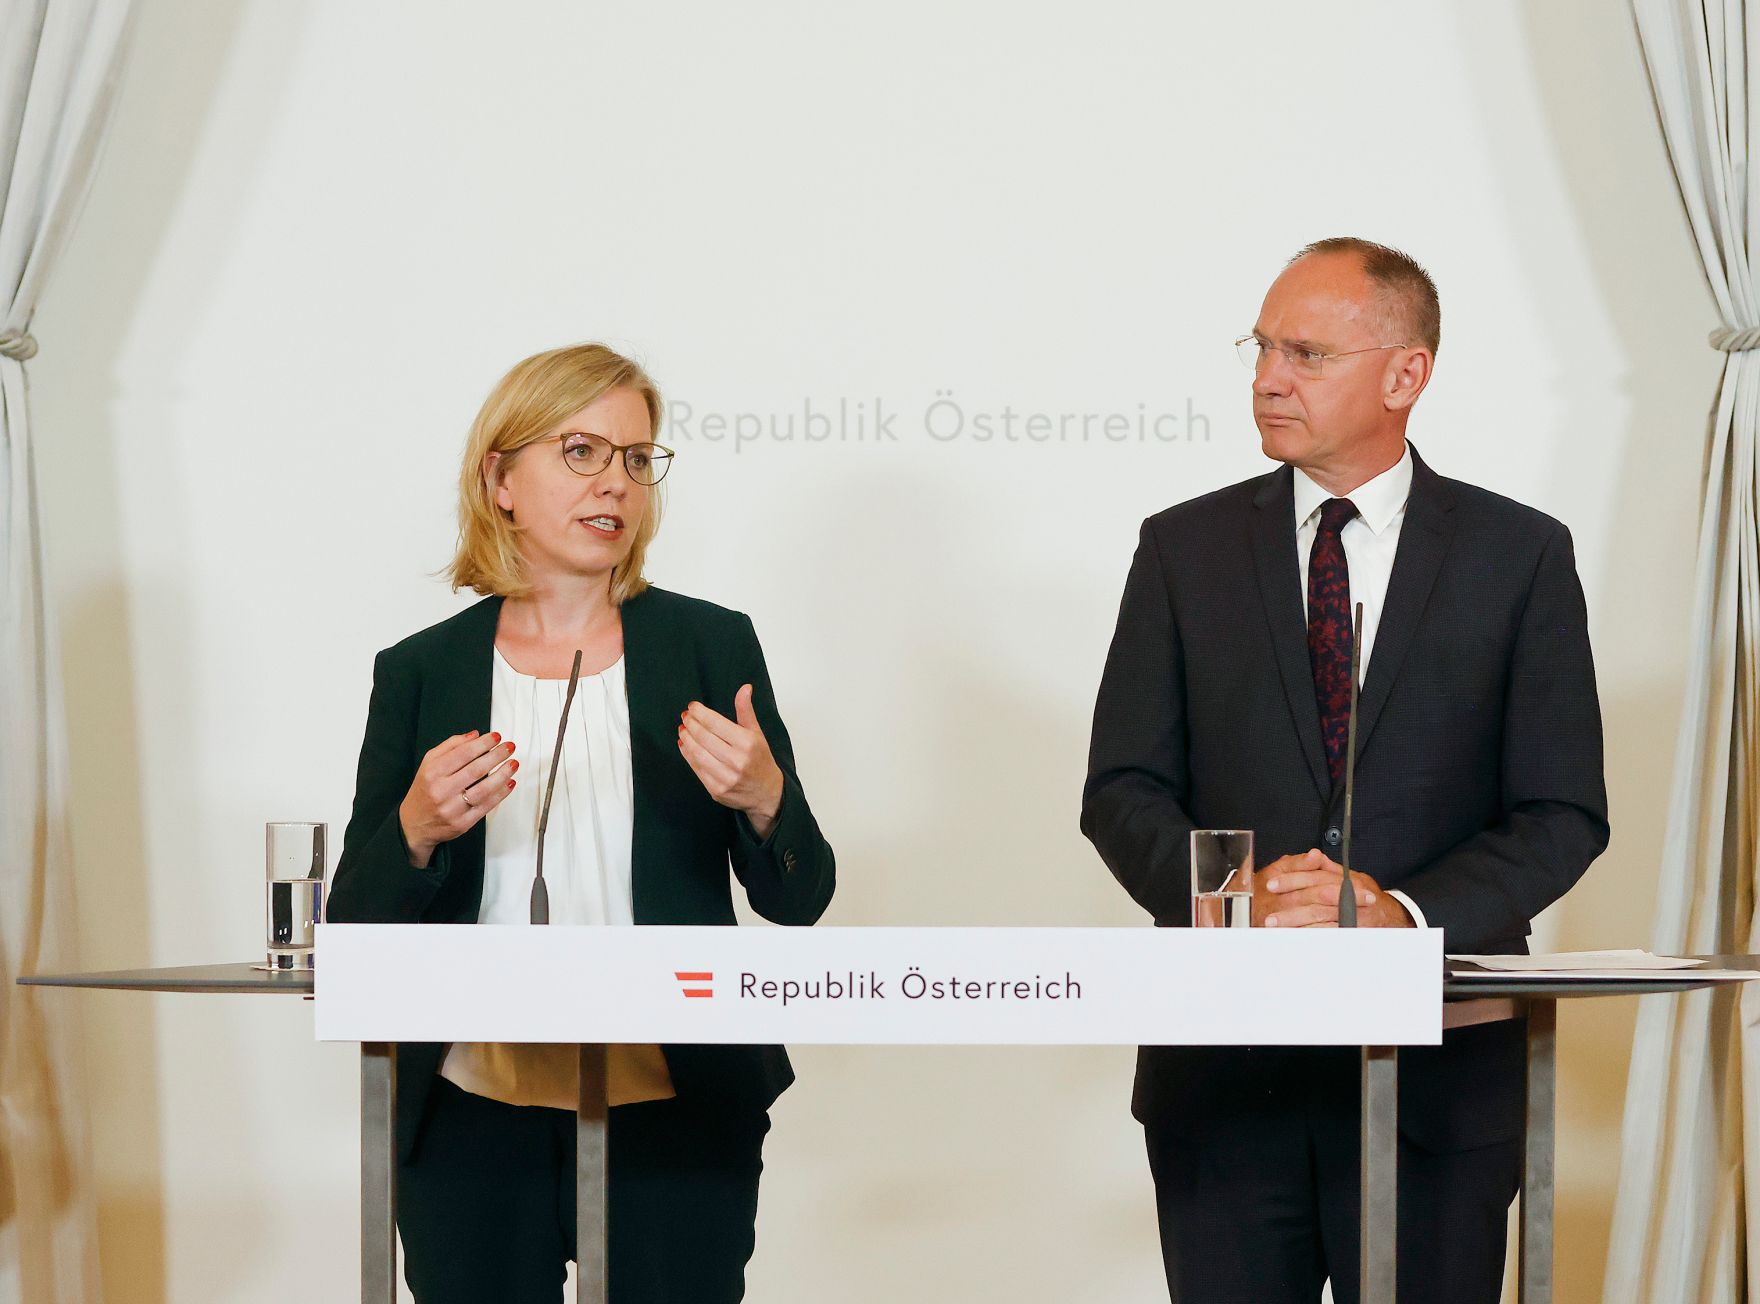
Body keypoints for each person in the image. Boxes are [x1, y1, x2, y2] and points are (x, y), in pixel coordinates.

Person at [1080, 237, 1607, 1303]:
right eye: (1262, 346)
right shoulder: (1181, 549)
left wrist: (1399, 912)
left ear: (1403, 374)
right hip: (1223, 1087)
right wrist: (1238, 893)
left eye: (1306, 353)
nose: (1267, 376)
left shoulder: (1519, 556)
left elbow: (1559, 812)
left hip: (1437, 1088)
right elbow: (1120, 787)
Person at [326, 342, 835, 1304]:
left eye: (639, 460)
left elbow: (800, 898)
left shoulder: (709, 643)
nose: (618, 484)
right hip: (470, 1107)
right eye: (582, 452)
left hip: (676, 1102)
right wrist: (416, 827)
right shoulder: (421, 670)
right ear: (501, 478)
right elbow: (356, 920)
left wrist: (765, 798)